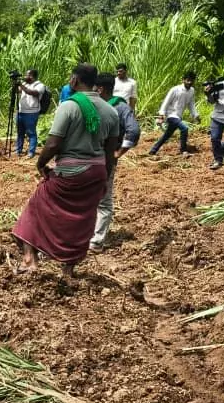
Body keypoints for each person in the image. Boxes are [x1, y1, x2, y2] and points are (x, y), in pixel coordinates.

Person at [13, 63, 120, 278]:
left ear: (74, 80)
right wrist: (105, 180)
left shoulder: (69, 106)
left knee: (34, 209)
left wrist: (41, 164)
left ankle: (29, 260)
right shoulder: (111, 111)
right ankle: (68, 270)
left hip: (71, 171)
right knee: (83, 219)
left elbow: (53, 144)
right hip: (96, 172)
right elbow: (110, 153)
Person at [91, 73, 142, 252]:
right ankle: (95, 239)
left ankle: (91, 237)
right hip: (106, 159)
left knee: (96, 199)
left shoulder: (97, 106)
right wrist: (118, 153)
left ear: (100, 89)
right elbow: (133, 131)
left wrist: (119, 152)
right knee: (102, 199)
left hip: (90, 157)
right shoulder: (120, 107)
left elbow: (133, 131)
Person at [151, 71, 199, 156]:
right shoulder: (175, 89)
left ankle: (153, 150)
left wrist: (195, 115)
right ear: (183, 80)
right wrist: (161, 115)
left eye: (192, 80)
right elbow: (166, 102)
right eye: (188, 80)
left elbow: (191, 104)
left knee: (167, 135)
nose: (190, 82)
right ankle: (183, 150)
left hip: (178, 116)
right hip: (171, 115)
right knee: (184, 129)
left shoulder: (192, 91)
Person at [15, 70, 47, 158]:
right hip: (21, 111)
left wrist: (20, 84)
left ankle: (31, 152)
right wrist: (15, 84)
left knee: (31, 133)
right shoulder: (25, 84)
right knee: (20, 132)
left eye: (26, 75)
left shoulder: (40, 85)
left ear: (31, 76)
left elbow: (32, 93)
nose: (24, 76)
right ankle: (18, 150)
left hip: (31, 113)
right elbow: (18, 91)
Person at [206, 66, 224, 170]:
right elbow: (212, 101)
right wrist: (208, 93)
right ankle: (218, 160)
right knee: (215, 138)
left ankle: (223, 148)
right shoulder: (220, 85)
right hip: (218, 115)